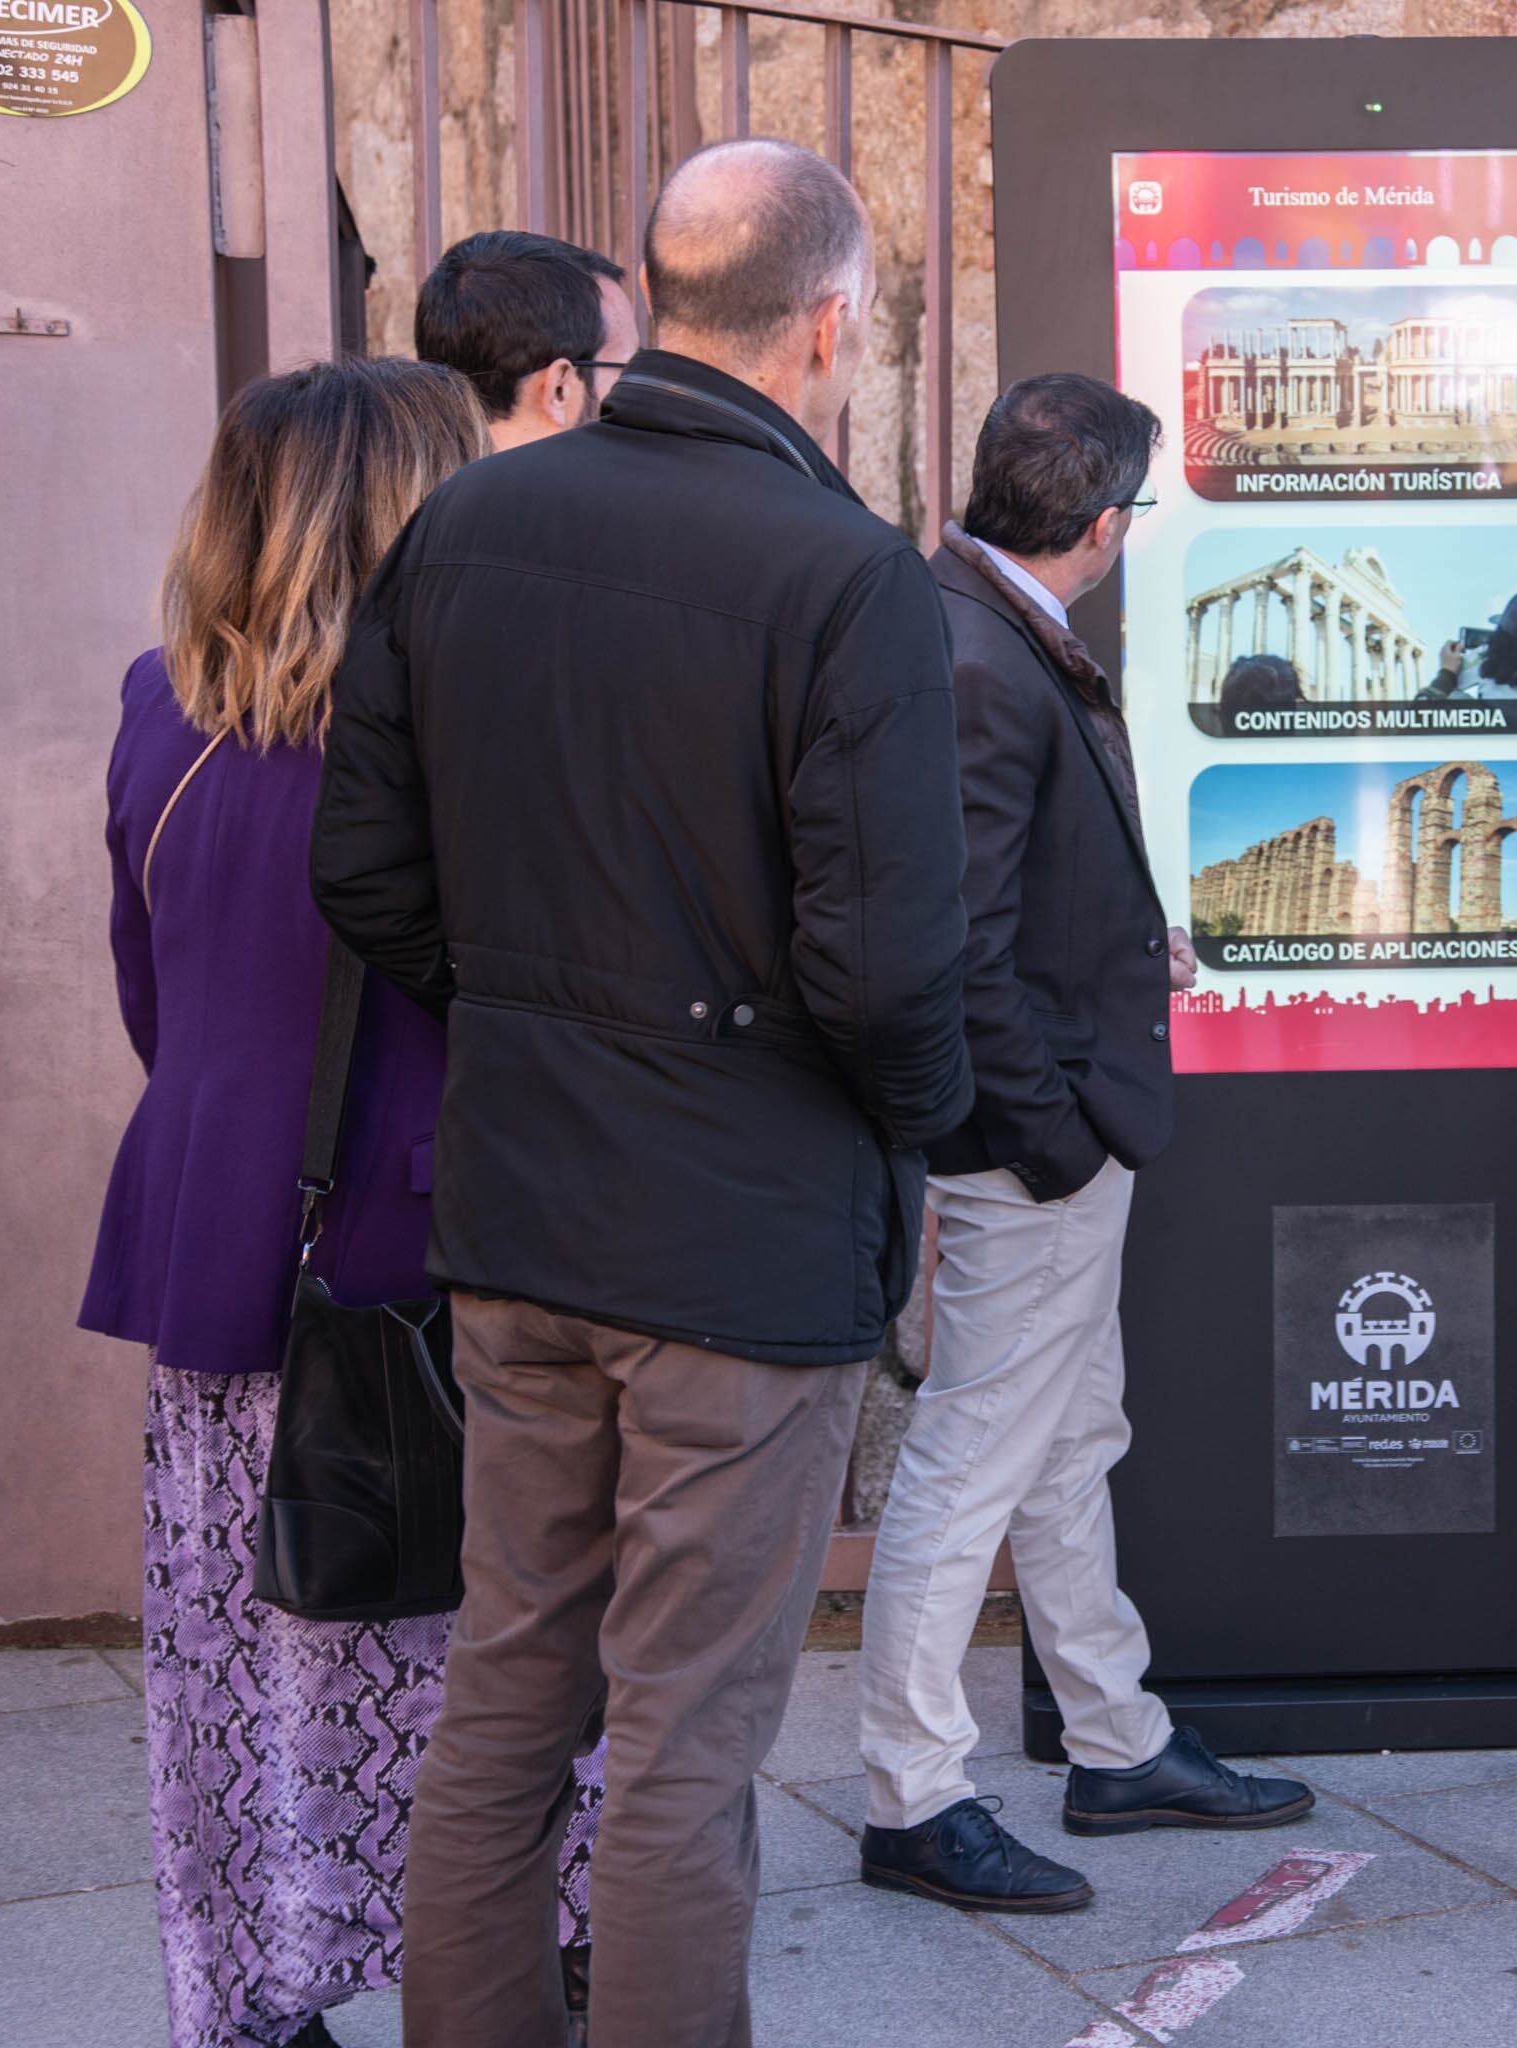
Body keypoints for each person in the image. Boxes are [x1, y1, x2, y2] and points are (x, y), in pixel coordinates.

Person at [312, 138, 972, 2048]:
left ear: (658, 300)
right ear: (834, 321)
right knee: (687, 1737)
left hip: (523, 1219)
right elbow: (890, 975)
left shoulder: (460, 526)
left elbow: (366, 876)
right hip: (739, 1247)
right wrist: (904, 1136)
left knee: (509, 1687)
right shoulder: (847, 574)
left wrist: (534, 1011)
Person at [79, 356, 600, 2048]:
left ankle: (252, 1996)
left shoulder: (157, 712)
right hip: (429, 1251)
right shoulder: (466, 728)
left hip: (210, 1238)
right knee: (485, 1653)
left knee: (240, 1663)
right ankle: (526, 1958)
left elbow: (152, 990)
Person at [857, 373, 1313, 1916]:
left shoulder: (965, 620)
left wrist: (1128, 946)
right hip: (1029, 1140)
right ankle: (914, 1794)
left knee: (1063, 1439)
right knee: (976, 1456)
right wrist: (1055, 1141)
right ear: (1107, 524)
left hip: (1046, 1116)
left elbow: (1014, 901)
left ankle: (1117, 1737)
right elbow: (963, 944)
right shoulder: (985, 651)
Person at [413, 228, 641, 451]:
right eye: (629, 369)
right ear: (559, 389)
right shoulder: (634, 482)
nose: (645, 386)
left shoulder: (402, 482)